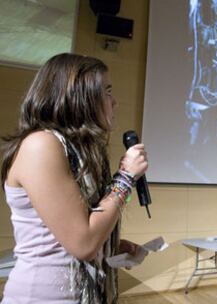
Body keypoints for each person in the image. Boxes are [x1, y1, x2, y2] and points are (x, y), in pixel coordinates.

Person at [1, 53, 148, 303]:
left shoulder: (76, 150)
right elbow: (83, 243)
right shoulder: (41, 145)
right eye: (107, 91)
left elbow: (78, 230)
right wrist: (125, 178)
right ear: (80, 98)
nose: (115, 102)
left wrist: (111, 245)